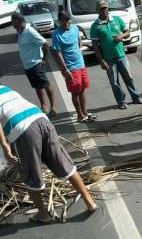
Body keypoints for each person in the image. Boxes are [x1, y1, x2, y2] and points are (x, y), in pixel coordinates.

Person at [0, 85, 97, 223]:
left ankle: (43, 215)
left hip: (22, 130)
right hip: (41, 119)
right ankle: (89, 201)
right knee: (63, 162)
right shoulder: (5, 88)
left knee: (31, 174)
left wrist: (5, 146)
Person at [90, 0, 142, 109]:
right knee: (114, 82)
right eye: (101, 9)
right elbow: (95, 45)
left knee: (128, 77)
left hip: (121, 55)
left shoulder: (117, 20)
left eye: (105, 8)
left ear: (108, 8)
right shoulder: (95, 26)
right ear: (97, 11)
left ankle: (136, 97)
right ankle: (121, 101)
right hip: (108, 58)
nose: (104, 10)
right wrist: (101, 60)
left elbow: (127, 32)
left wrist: (121, 36)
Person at [51, 10, 96, 123]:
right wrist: (64, 69)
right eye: (63, 21)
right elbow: (58, 53)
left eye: (67, 20)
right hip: (70, 67)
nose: (66, 23)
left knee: (82, 90)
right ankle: (80, 115)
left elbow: (79, 43)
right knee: (75, 92)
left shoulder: (75, 29)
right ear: (59, 21)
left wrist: (79, 54)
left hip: (81, 64)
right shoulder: (56, 34)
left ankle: (85, 112)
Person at [11, 13, 56, 116]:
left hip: (36, 64)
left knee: (46, 85)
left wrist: (44, 59)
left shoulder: (30, 31)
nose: (12, 24)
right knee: (37, 86)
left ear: (17, 21)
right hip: (27, 66)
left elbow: (45, 44)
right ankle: (44, 107)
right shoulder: (19, 31)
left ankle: (53, 108)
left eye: (12, 22)